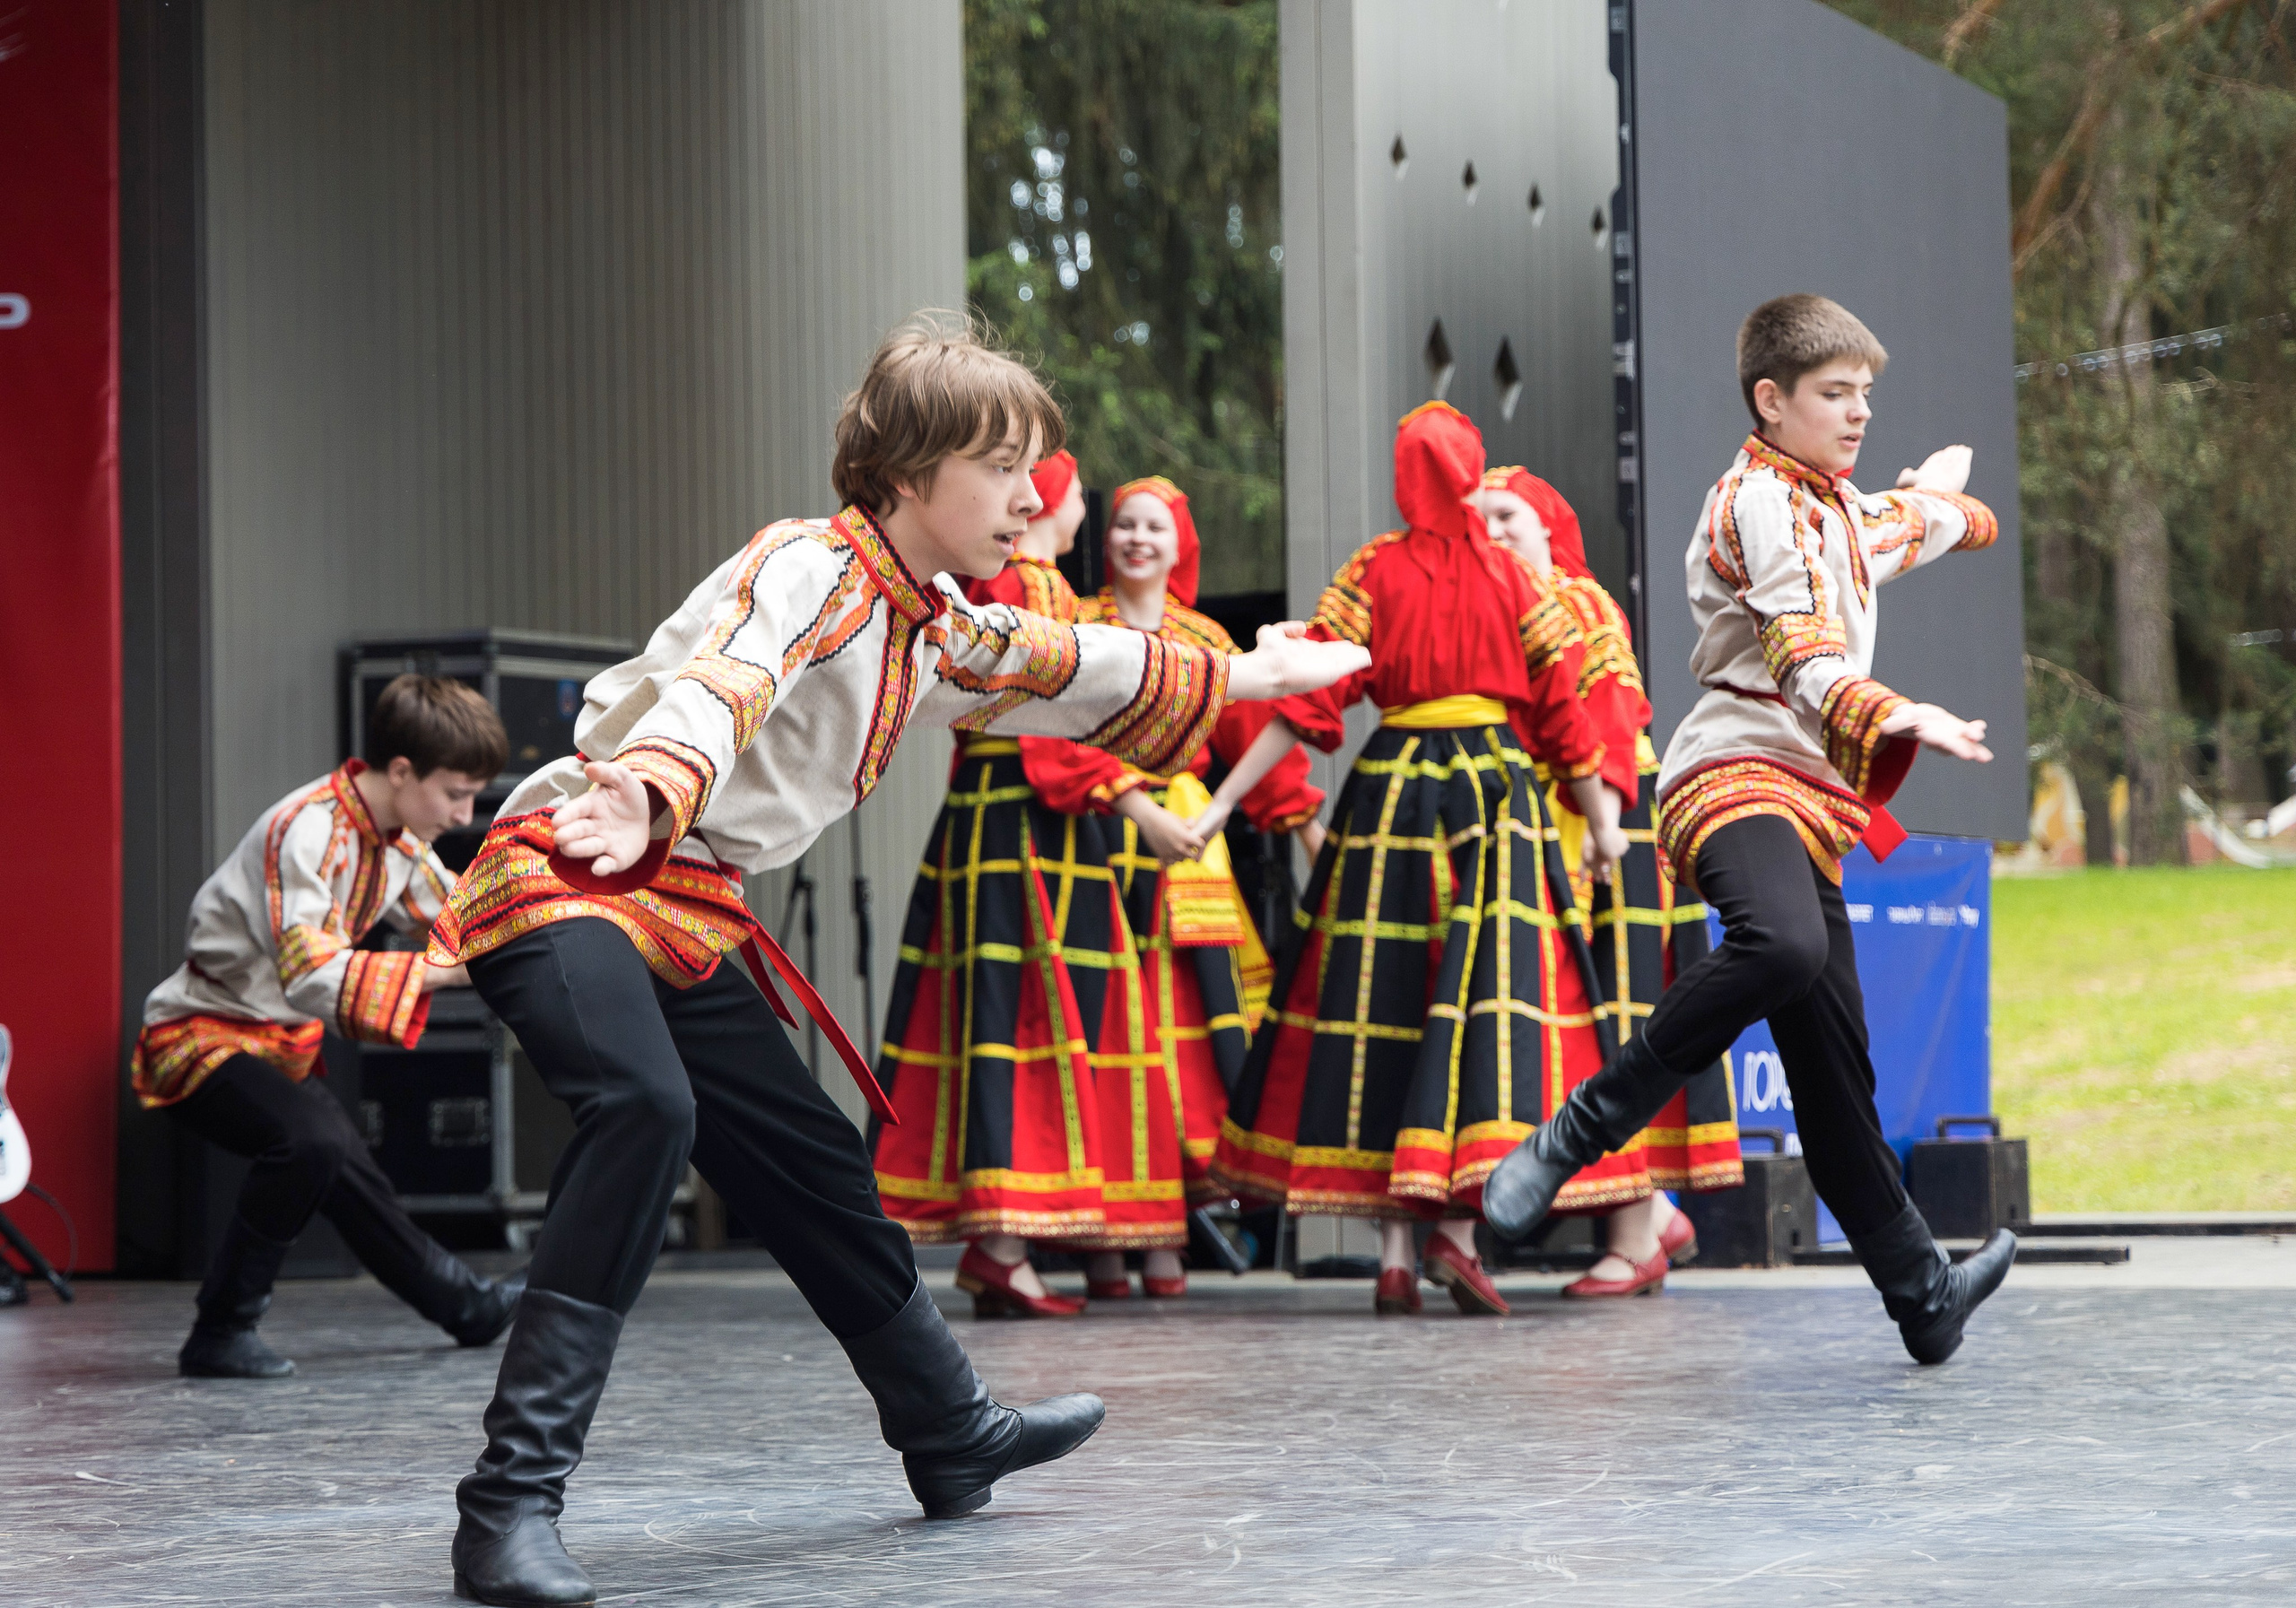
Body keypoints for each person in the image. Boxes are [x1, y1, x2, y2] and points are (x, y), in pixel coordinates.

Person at [423, 313, 1370, 1606]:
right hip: (576, 863)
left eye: (1030, 469)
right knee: (645, 1107)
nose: (1031, 497)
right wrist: (652, 785)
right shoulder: (811, 565)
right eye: (1002, 467)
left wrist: (1253, 674)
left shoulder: (932, 626)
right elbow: (730, 678)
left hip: (682, 903)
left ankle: (949, 1425)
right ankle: (507, 1506)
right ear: (910, 474)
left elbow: (1073, 660)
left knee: (814, 1160)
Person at [1483, 293, 2017, 1363]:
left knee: (1835, 1075)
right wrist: (1896, 712)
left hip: (1804, 801)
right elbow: (1803, 652)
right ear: (1770, 401)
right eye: (1835, 393)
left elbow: (1897, 528)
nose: (1858, 411)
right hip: (1731, 770)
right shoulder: (1753, 505)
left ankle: (1922, 1291)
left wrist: (1942, 501)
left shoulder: (1834, 508)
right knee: (1782, 942)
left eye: (1865, 393)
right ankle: (1582, 1126)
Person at [1210, 401, 1628, 1318]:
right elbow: (1565, 715)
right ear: (1471, 473)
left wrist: (1219, 802)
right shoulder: (1515, 579)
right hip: (1494, 795)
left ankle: (1395, 1256)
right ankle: (1458, 1233)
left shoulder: (1373, 568)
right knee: (1484, 1010)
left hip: (1392, 792)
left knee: (1382, 1004)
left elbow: (1305, 697)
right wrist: (1602, 824)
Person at [131, 674, 525, 1378]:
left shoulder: (398, 840)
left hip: (280, 1042)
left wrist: (554, 914)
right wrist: (443, 973)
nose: (465, 814)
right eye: (455, 793)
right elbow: (308, 974)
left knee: (343, 1166)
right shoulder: (307, 829)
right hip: (199, 1031)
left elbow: (462, 917)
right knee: (312, 1140)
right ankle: (221, 1328)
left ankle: (466, 1305)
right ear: (401, 771)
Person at [1022, 475, 1326, 1300]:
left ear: (1180, 544)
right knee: (1103, 1036)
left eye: (1154, 527)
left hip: (1185, 851)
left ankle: (1168, 1231)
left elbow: (1259, 745)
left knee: (1180, 1048)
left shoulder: (1203, 637)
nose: (1137, 539)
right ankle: (1104, 1242)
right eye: (1125, 524)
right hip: (1093, 839)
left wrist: (1311, 835)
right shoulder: (1077, 621)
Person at [871, 448, 1142, 1317]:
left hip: (986, 812)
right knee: (1028, 1015)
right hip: (1031, 817)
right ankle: (1004, 1247)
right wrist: (1129, 798)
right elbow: (1055, 724)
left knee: (988, 1015)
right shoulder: (1034, 585)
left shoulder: (1013, 582)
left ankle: (1003, 1242)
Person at [1480, 467, 1744, 1298]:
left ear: (1548, 527)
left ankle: (1637, 1237)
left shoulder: (1581, 602)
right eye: (1479, 518)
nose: (1492, 530)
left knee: (1622, 1016)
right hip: (1553, 822)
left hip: (1611, 823)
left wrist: (1595, 828)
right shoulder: (1501, 608)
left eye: (1507, 514)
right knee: (1581, 1024)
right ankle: (1654, 1216)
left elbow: (1609, 720)